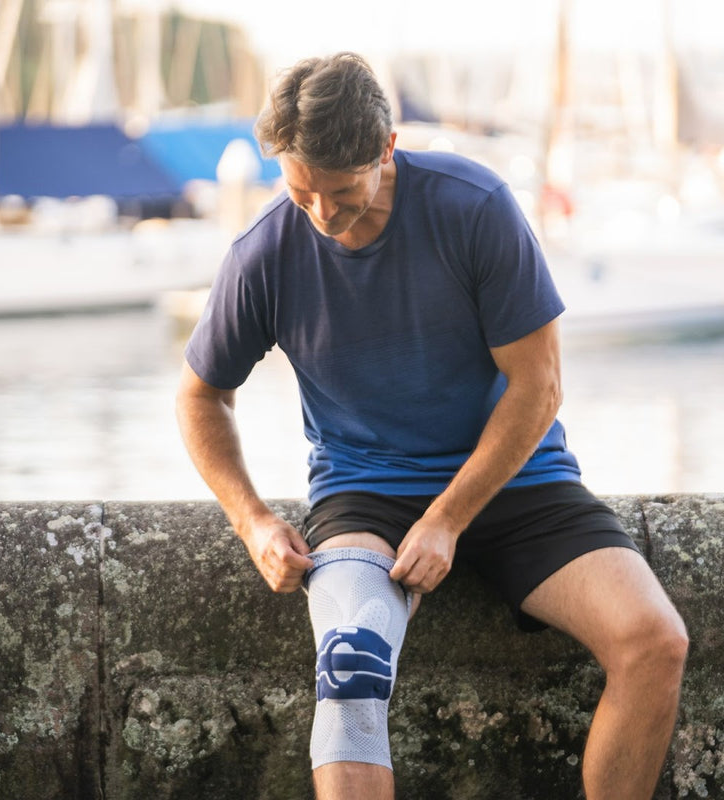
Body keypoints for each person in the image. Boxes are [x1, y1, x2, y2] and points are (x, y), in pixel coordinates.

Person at [175, 51, 688, 800]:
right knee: (348, 675)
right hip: (367, 492)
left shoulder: (472, 208)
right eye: (299, 189)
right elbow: (199, 397)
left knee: (655, 641)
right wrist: (251, 519)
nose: (321, 213)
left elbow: (537, 386)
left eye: (340, 190)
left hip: (518, 480)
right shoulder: (265, 253)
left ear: (386, 150)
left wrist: (449, 518)